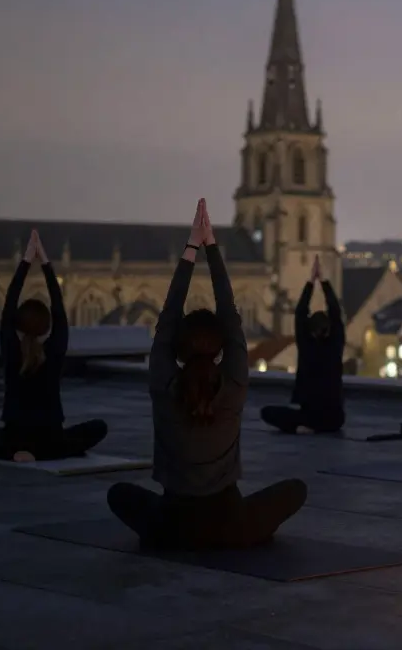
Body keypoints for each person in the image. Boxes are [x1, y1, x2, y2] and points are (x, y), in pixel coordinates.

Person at [107, 199, 306, 550]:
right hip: (230, 525)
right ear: (221, 349)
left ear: (178, 349)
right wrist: (211, 248)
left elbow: (167, 317)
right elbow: (230, 315)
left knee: (120, 494)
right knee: (295, 490)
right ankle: (248, 532)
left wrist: (191, 250)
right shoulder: (234, 388)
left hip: (172, 526)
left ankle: (186, 534)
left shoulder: (164, 386)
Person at [0, 229, 108, 462]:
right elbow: (60, 311)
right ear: (47, 326)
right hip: (50, 437)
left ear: (17, 325)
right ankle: (46, 451)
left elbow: (9, 304)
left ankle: (13, 451)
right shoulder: (54, 350)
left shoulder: (11, 349)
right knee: (98, 427)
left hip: (14, 435)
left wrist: (25, 261)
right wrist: (46, 263)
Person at [260, 255, 346, 434]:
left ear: (311, 330)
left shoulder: (307, 346)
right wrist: (324, 282)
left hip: (309, 414)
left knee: (268, 413)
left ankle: (305, 426)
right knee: (330, 421)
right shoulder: (334, 346)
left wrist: (311, 281)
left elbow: (300, 313)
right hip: (334, 418)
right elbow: (336, 314)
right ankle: (312, 427)